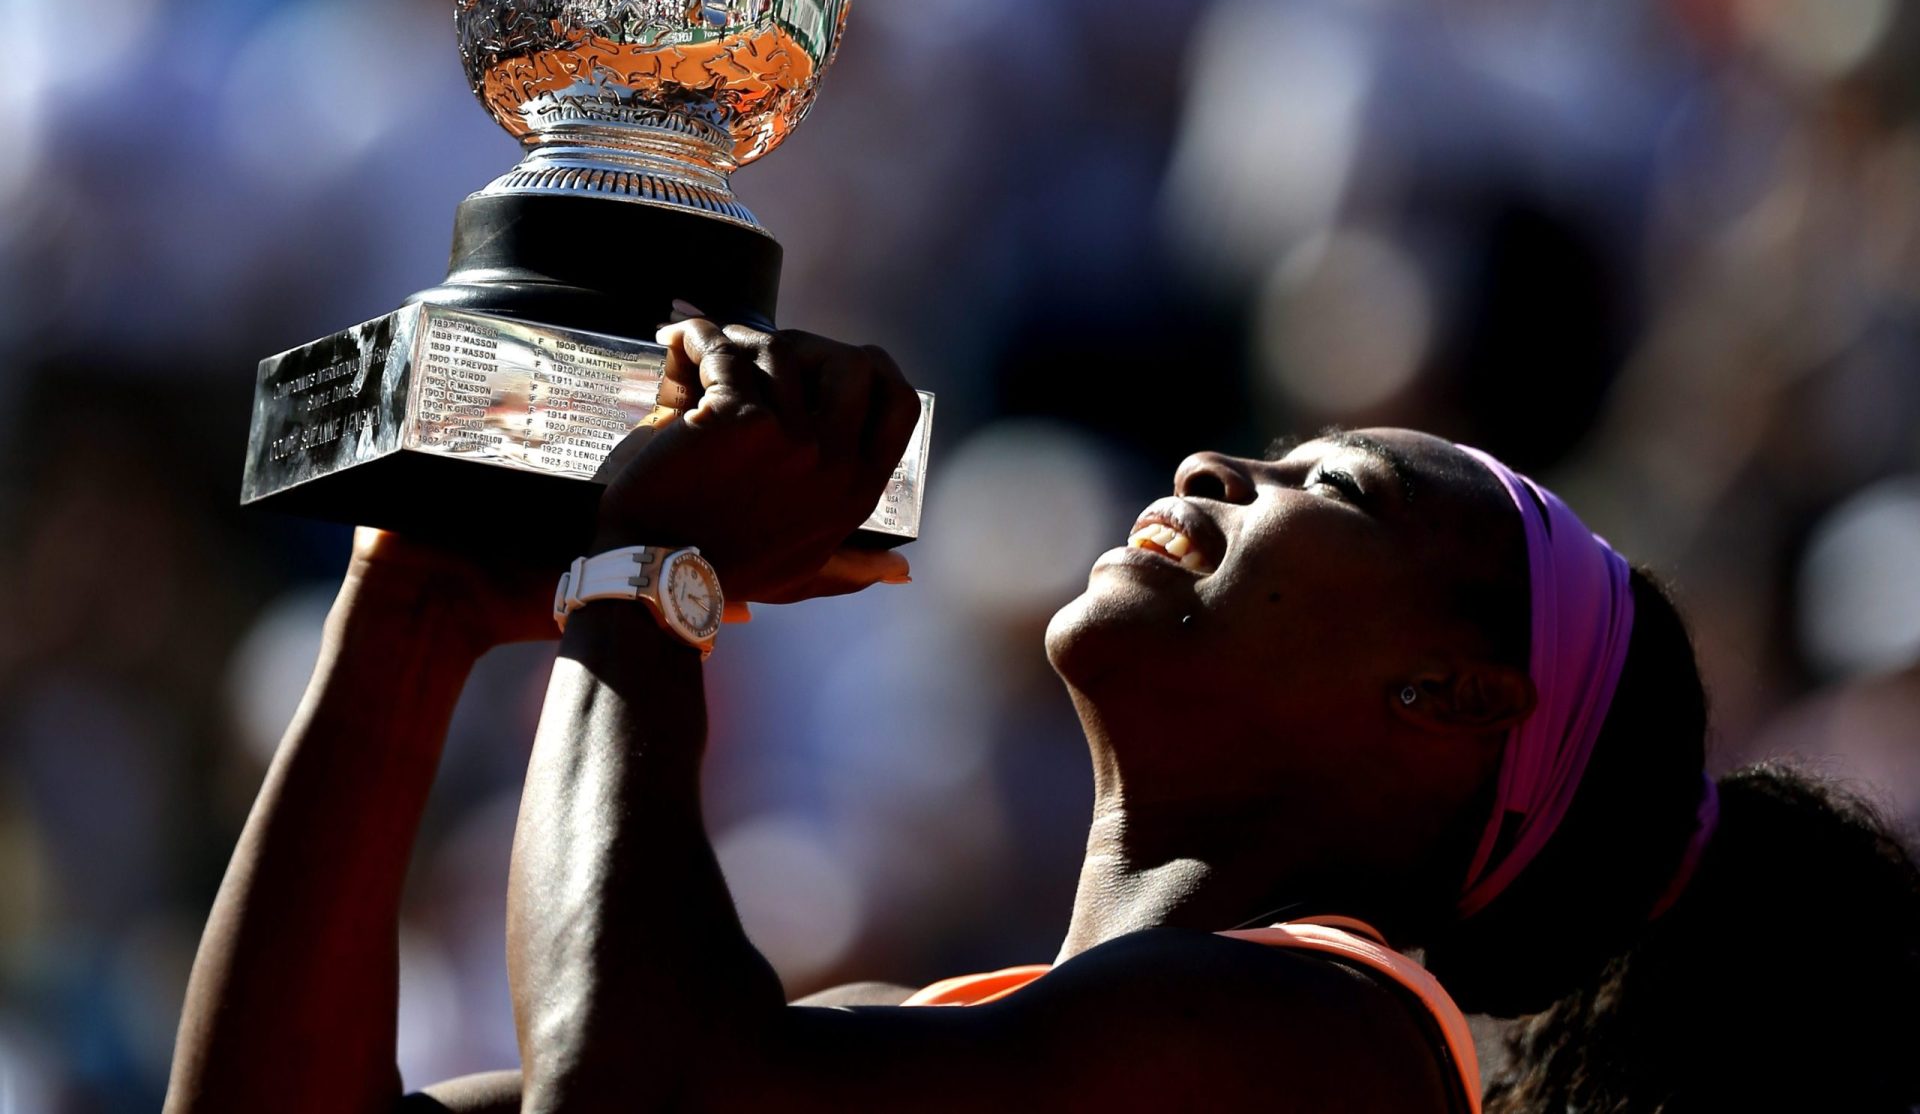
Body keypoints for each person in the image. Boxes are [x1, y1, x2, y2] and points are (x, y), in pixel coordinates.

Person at [165, 321, 1920, 1113]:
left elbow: (634, 1098)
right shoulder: (943, 1035)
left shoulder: (1332, 1049)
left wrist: (654, 578)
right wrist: (407, 607)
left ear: (1447, 700)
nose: (1225, 461)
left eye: (1342, 487)